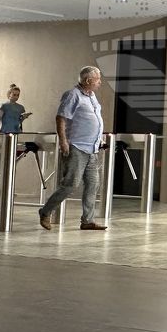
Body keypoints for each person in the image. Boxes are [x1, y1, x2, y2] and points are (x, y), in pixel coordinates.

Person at [39, 66, 108, 232]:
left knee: (93, 185)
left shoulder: (92, 96)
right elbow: (61, 118)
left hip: (92, 149)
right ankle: (45, 211)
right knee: (70, 185)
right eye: (98, 79)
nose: (100, 82)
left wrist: (99, 138)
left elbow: (93, 119)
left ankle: (87, 221)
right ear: (88, 80)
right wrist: (63, 141)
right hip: (77, 147)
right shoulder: (73, 95)